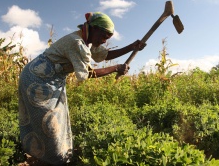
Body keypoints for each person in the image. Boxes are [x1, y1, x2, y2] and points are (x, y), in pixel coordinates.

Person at [18, 12, 145, 165]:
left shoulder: (87, 41)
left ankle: (53, 157)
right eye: (104, 36)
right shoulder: (77, 42)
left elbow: (103, 55)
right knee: (48, 122)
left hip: (52, 79)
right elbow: (87, 74)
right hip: (38, 79)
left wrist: (132, 47)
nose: (104, 41)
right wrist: (116, 68)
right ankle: (51, 159)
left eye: (108, 38)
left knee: (57, 118)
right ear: (94, 29)